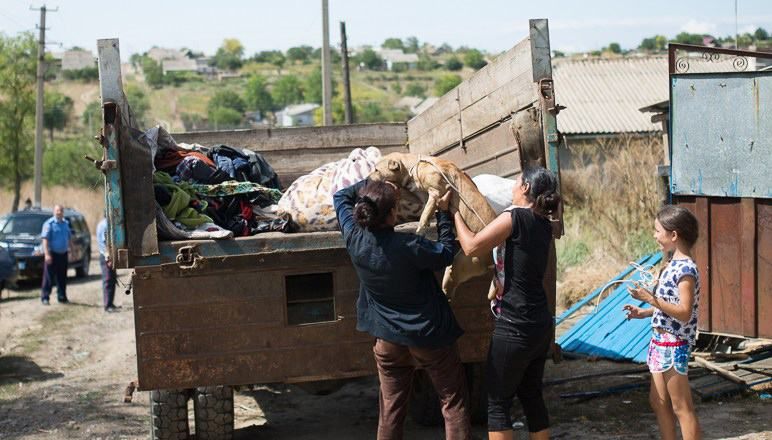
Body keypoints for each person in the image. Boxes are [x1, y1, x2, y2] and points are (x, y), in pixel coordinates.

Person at [333, 179, 472, 440]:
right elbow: (445, 253)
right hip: (429, 337)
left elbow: (340, 196)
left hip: (387, 341)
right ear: (392, 214)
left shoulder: (354, 237)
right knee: (453, 402)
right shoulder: (408, 246)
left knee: (391, 411)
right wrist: (443, 214)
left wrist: (372, 184)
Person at [452, 166, 560, 440]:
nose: (512, 185)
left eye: (516, 181)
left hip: (515, 326)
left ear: (525, 188)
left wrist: (453, 212)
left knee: (498, 402)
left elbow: (472, 246)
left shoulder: (514, 217)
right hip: (540, 324)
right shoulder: (543, 225)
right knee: (532, 396)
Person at [625, 205, 702, 440]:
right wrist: (645, 311)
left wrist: (651, 298)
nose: (654, 235)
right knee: (657, 402)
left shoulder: (686, 269)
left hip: (674, 344)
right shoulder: (669, 264)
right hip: (659, 341)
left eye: (658, 230)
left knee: (682, 407)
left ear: (674, 235)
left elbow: (684, 312)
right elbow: (668, 305)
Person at [40, 205, 71, 305]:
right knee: (48, 277)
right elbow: (45, 239)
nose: (59, 212)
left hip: (63, 254)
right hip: (52, 254)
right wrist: (47, 254)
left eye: (61, 210)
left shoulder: (66, 223)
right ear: (54, 212)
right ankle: (45, 297)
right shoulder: (49, 224)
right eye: (57, 210)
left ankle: (62, 296)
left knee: (62, 276)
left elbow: (69, 238)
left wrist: (70, 250)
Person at [96, 217, 119, 312]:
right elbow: (105, 243)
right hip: (106, 257)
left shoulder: (106, 223)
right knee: (108, 280)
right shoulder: (105, 225)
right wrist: (108, 258)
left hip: (109, 256)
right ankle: (107, 305)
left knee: (112, 280)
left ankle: (111, 303)